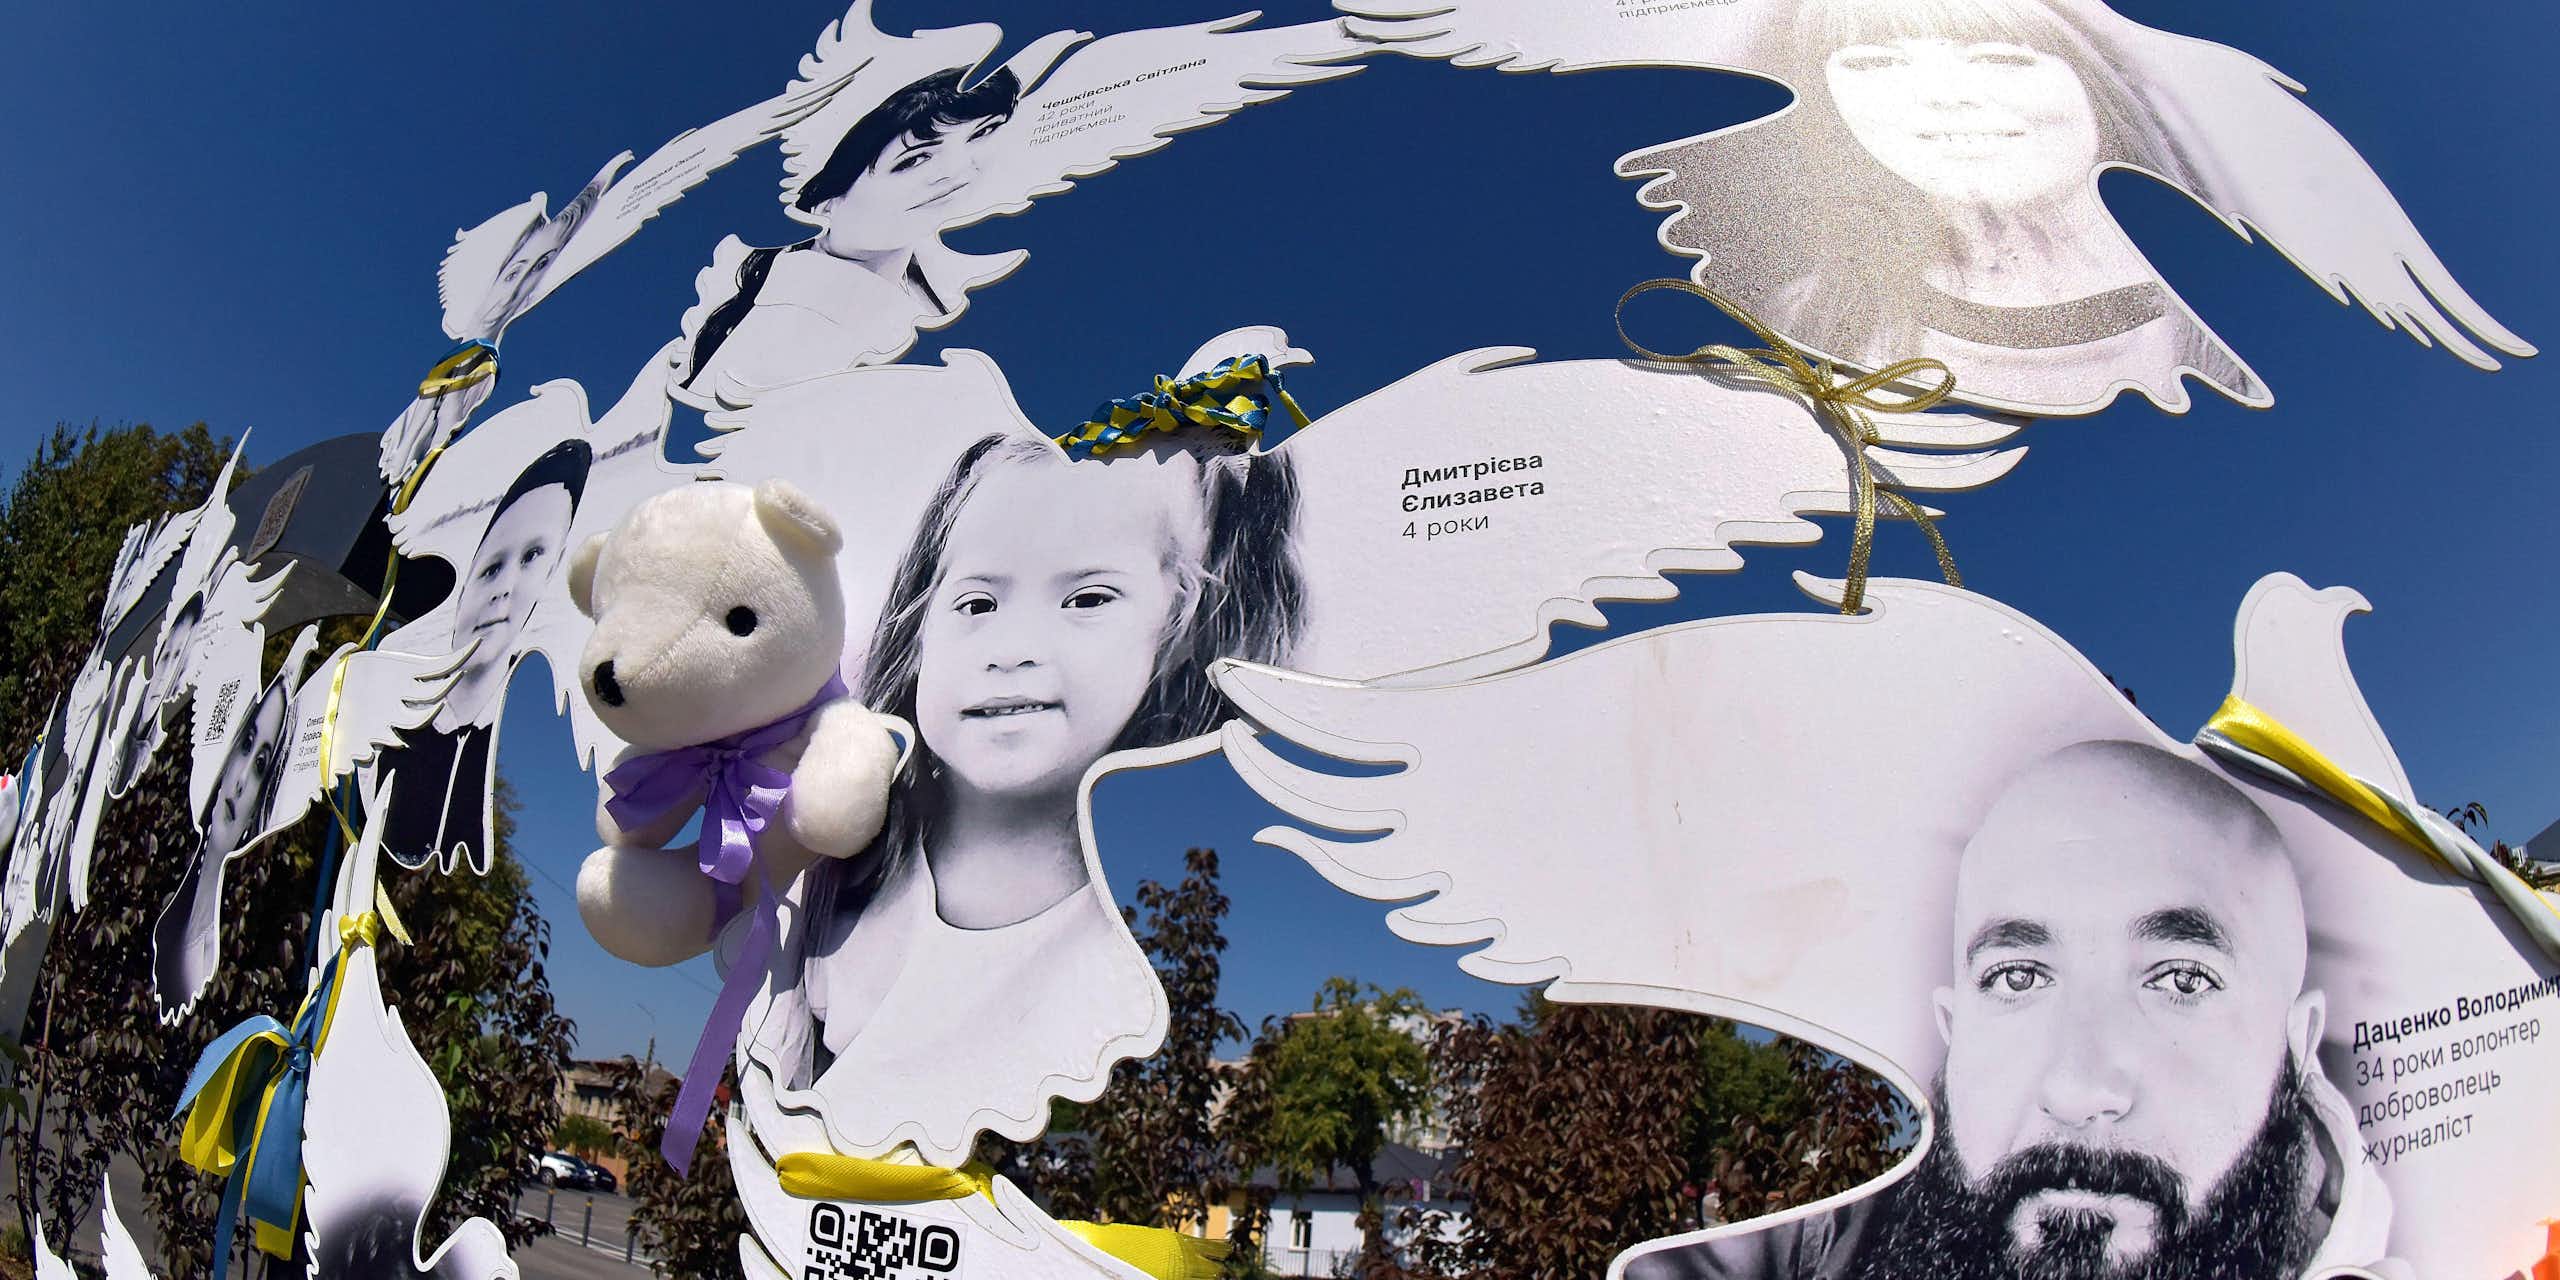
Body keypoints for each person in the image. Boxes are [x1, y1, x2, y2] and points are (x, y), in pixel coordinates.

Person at [1624, 741, 2388, 1280]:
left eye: (2181, 980)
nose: (2081, 1086)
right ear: (1956, 1037)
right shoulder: (1801, 1252)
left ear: (2296, 1046)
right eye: (2019, 978)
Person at [755, 431, 1303, 1150]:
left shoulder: (1124, 958)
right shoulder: (829, 886)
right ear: (920, 626)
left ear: (1177, 624)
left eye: (1086, 597)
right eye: (978, 604)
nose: (1009, 650)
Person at [1624, 0, 2257, 410]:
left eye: (2002, 58)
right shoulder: (1800, 318)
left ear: (2099, 89)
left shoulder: (2241, 296)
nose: (1944, 97)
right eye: (1874, 63)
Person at [680, 66, 1020, 399]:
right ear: (826, 203)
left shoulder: (920, 277)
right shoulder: (787, 321)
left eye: (982, 132)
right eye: (912, 160)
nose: (959, 170)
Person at [378, 440, 590, 872]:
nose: (505, 588)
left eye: (533, 557)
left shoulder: (509, 759)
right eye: (492, 567)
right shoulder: (388, 726)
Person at [151, 672, 293, 1015]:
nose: (242, 779)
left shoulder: (232, 944)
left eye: (261, 764)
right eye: (246, 745)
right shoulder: (165, 892)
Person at [112, 589, 204, 795]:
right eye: (166, 655)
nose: (166, 672)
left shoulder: (165, 736)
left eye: (176, 657)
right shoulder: (122, 707)